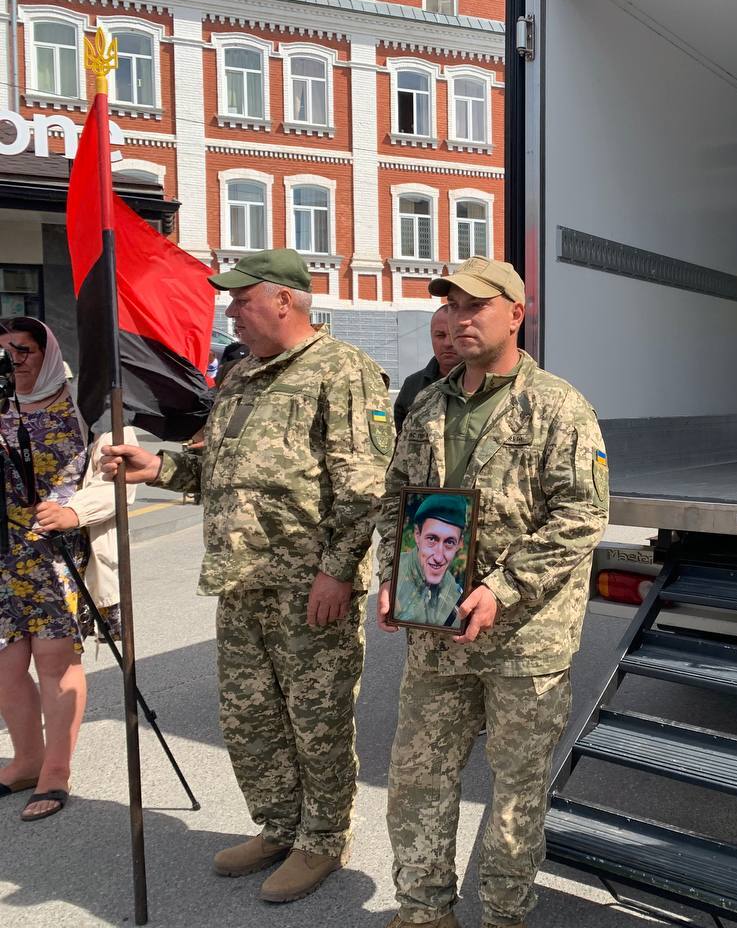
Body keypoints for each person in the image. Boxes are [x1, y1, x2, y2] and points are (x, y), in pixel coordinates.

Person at [102, 248, 392, 903]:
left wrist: (337, 572)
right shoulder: (240, 377)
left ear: (284, 300)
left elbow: (364, 488)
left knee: (316, 720)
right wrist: (159, 468)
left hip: (308, 587)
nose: (230, 311)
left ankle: (323, 838)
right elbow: (219, 471)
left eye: (241, 298)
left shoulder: (342, 371)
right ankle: (280, 826)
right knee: (251, 718)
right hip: (241, 580)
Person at [377, 256, 609, 928]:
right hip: (437, 631)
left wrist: (503, 588)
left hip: (524, 640)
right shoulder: (430, 403)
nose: (459, 319)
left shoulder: (558, 407)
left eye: (475, 305)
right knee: (418, 779)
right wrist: (394, 575)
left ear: (516, 312)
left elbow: (582, 515)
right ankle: (424, 912)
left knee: (514, 797)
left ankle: (504, 915)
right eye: (451, 306)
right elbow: (398, 499)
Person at [0, 317, 89, 822]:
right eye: (5, 353)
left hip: (53, 550)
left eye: (24, 350)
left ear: (47, 352)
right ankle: (26, 760)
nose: (14, 361)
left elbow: (106, 478)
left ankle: (55, 769)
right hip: (3, 551)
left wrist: (73, 512)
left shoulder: (79, 406)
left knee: (54, 660)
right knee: (5, 662)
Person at [33, 425, 140, 645]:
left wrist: (74, 512)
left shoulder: (101, 414)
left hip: (66, 550)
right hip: (9, 549)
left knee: (55, 653)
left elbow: (118, 481)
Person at [395, 493, 467, 628]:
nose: (438, 557)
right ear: (417, 535)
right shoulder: (394, 574)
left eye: (449, 542)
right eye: (432, 539)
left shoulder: (455, 596)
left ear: (459, 544)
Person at [394, 305, 461, 431]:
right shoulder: (412, 385)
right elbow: (398, 436)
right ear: (431, 337)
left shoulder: (481, 382)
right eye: (440, 335)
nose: (448, 343)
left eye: (454, 334)